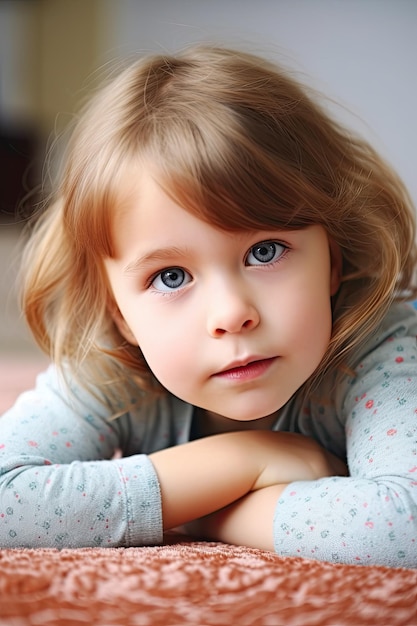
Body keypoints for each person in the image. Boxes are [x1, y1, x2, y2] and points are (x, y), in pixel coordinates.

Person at [1, 45, 416, 568]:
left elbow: (404, 525)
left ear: (332, 259)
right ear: (118, 313)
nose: (230, 314)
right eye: (170, 277)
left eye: (264, 252)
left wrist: (207, 512)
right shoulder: (111, 371)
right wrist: (241, 463)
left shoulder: (376, 345)